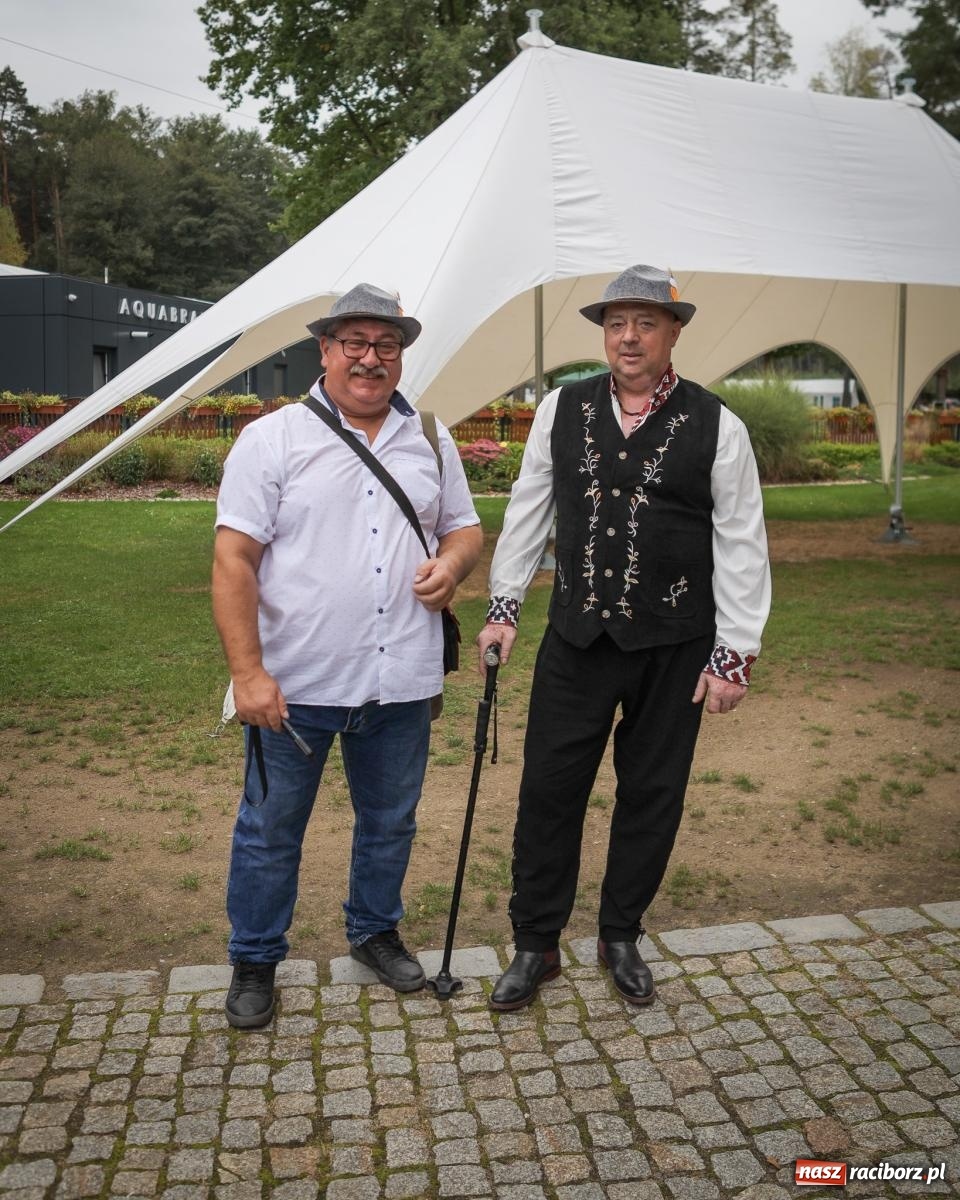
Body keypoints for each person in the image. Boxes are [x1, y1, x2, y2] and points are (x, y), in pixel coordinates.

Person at [477, 264, 771, 1011]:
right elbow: (529, 509)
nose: (629, 337)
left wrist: (733, 654)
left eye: (645, 322)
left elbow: (742, 542)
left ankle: (620, 936)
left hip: (675, 645)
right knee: (548, 790)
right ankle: (536, 943)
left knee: (652, 794)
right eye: (616, 323)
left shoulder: (718, 424)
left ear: (674, 332)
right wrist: (505, 604)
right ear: (603, 334)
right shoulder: (561, 409)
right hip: (577, 638)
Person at [213, 282, 483, 1027]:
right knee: (269, 832)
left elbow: (464, 528)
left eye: (386, 346)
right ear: (325, 350)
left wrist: (453, 566)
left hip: (401, 680)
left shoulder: (429, 435)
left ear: (400, 355)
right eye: (355, 344)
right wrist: (248, 676)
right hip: (295, 685)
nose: (371, 358)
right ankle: (256, 958)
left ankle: (373, 932)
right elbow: (233, 560)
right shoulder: (271, 440)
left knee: (390, 821)